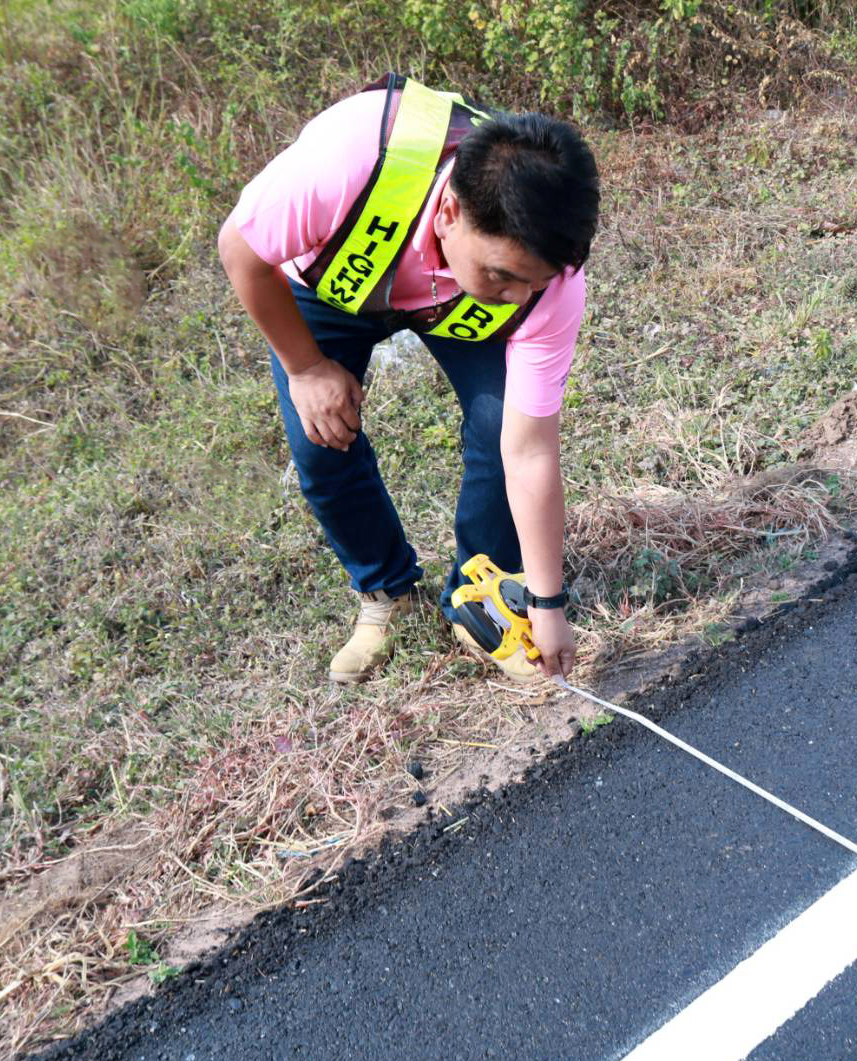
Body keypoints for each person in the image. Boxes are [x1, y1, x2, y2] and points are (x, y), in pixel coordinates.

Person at [218, 74, 598, 684]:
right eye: (504, 275)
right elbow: (240, 251)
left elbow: (530, 451)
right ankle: (386, 594)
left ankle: (482, 597)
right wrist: (306, 368)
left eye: (535, 281)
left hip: (449, 299)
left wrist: (547, 603)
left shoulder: (547, 286)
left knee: (500, 423)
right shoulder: (346, 162)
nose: (519, 297)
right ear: (450, 213)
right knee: (320, 442)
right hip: (331, 279)